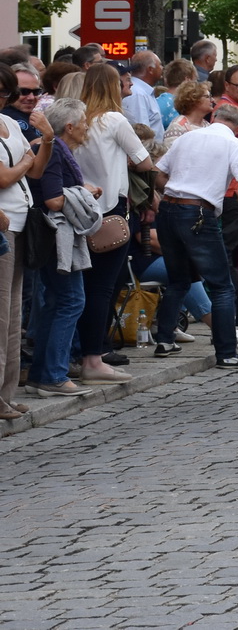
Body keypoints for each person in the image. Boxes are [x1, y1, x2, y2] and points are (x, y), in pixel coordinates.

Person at [70, 63, 156, 384]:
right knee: (102, 288)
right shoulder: (114, 119)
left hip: (80, 208)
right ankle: (95, 356)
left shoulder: (79, 120)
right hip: (111, 212)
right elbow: (145, 160)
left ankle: (81, 353)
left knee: (81, 287)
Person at [153, 105, 238, 366]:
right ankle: (227, 353)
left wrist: (178, 190)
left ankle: (164, 339)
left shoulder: (187, 136)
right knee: (221, 286)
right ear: (237, 124)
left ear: (214, 119)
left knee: (178, 280)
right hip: (198, 211)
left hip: (169, 208)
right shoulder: (234, 144)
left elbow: (159, 173)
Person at [25, 98, 100, 399]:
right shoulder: (54, 150)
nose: (86, 128)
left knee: (56, 304)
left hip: (52, 236)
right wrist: (85, 193)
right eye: (83, 123)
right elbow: (53, 199)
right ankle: (53, 375)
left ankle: (42, 375)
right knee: (70, 302)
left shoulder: (54, 148)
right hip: (57, 237)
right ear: (69, 126)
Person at [0, 65, 53, 419]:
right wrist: (22, 164)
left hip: (20, 221)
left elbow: (35, 170)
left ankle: (6, 393)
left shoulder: (11, 127)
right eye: (12, 93)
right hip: (3, 225)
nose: (13, 99)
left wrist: (47, 140)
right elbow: (6, 175)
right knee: (2, 312)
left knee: (14, 312)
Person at [162, 80, 214, 148]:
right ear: (194, 100)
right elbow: (171, 155)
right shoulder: (177, 126)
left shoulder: (207, 126)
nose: (212, 100)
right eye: (207, 96)